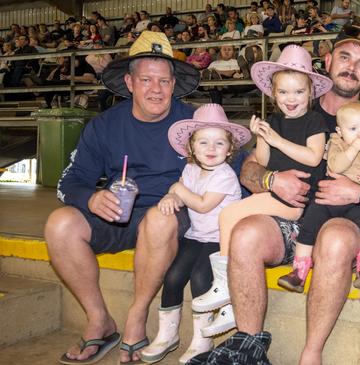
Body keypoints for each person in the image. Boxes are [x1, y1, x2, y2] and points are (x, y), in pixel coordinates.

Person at [187, 26, 360, 365]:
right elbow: (249, 169)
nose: (352, 67)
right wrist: (271, 179)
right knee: (246, 232)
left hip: (346, 224)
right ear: (327, 61)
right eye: (345, 56)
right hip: (291, 220)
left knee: (335, 238)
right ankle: (248, 347)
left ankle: (311, 354)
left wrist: (359, 193)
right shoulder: (293, 109)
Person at [44, 31, 201, 365]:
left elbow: (233, 167)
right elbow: (69, 181)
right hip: (119, 212)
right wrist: (90, 198)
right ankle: (99, 320)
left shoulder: (195, 123)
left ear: (174, 85)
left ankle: (136, 316)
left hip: (170, 217)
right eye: (146, 79)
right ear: (129, 83)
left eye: (164, 81)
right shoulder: (104, 126)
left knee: (160, 218)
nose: (156, 89)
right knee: (60, 224)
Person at [191, 44, 332, 317]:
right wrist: (263, 137)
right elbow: (265, 161)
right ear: (273, 93)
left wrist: (278, 139)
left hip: (298, 199)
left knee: (230, 214)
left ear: (310, 93)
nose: (291, 99)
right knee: (231, 217)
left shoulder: (314, 121)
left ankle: (225, 284)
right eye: (283, 92)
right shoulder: (274, 121)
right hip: (276, 195)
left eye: (299, 92)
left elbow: (314, 158)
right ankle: (229, 285)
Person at [140, 104, 251, 364]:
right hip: (196, 235)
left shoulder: (224, 176)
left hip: (220, 239)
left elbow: (202, 204)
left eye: (219, 143)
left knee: (202, 278)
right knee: (173, 276)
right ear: (191, 148)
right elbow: (178, 188)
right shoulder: (190, 170)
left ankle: (203, 339)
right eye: (203, 142)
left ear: (230, 148)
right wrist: (171, 193)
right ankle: (167, 335)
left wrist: (178, 189)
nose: (211, 149)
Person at [277, 101, 360, 292]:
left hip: (357, 205)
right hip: (327, 201)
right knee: (309, 225)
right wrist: (353, 149)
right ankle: (298, 272)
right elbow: (337, 166)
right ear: (340, 130)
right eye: (353, 128)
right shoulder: (335, 145)